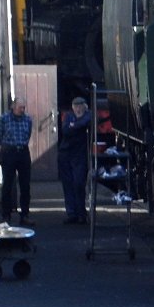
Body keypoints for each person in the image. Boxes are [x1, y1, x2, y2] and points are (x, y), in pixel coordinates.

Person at [0, 97, 35, 226]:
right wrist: (1, 146)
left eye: (23, 107)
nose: (22, 110)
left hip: (23, 151)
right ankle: (6, 215)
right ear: (13, 106)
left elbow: (28, 134)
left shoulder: (27, 119)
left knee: (25, 185)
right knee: (7, 184)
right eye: (20, 107)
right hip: (9, 151)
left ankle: (25, 215)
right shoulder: (4, 119)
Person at [57, 96, 92, 224]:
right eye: (75, 106)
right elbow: (66, 130)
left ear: (85, 106)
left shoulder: (89, 115)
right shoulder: (68, 116)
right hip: (65, 153)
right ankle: (72, 213)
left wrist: (74, 125)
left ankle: (81, 212)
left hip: (79, 155)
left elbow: (85, 122)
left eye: (80, 106)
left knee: (78, 183)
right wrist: (76, 126)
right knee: (68, 184)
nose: (77, 108)